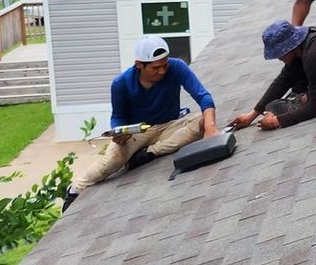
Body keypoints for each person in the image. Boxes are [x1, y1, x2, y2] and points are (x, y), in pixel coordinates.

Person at [68, 35, 218, 200]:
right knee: (113, 161)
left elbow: (203, 97)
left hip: (170, 126)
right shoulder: (121, 83)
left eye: (165, 65)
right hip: (136, 133)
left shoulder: (177, 67)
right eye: (156, 68)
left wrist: (211, 128)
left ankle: (150, 153)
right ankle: (74, 190)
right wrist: (119, 132)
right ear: (139, 64)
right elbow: (117, 116)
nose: (162, 71)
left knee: (202, 121)